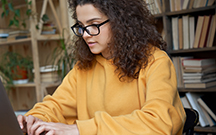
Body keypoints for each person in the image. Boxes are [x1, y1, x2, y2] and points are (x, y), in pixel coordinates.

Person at [17, 0, 186, 134]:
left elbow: (158, 123)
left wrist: (80, 130)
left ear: (121, 22)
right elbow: (56, 106)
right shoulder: (83, 68)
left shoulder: (156, 62)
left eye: (94, 25)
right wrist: (33, 119)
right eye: (81, 26)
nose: (85, 34)